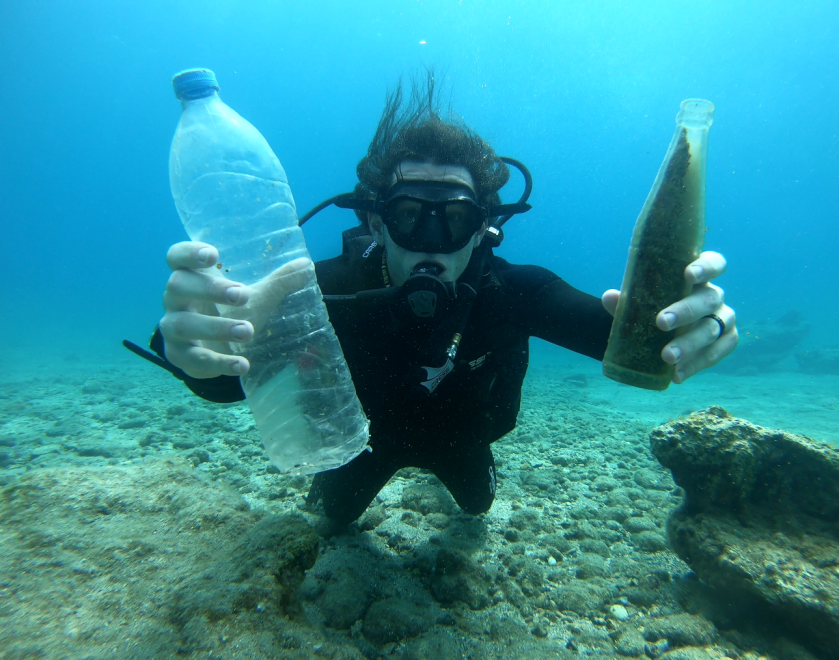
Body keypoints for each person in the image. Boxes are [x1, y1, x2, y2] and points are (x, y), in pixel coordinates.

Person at [152, 81, 738, 525]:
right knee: (329, 523)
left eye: (454, 219)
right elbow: (226, 382)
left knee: (476, 509)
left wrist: (682, 326)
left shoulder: (518, 291)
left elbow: (633, 343)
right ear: (375, 222)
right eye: (410, 216)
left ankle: (466, 479)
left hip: (464, 441)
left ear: (484, 228)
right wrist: (194, 345)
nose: (432, 242)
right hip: (358, 445)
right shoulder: (316, 289)